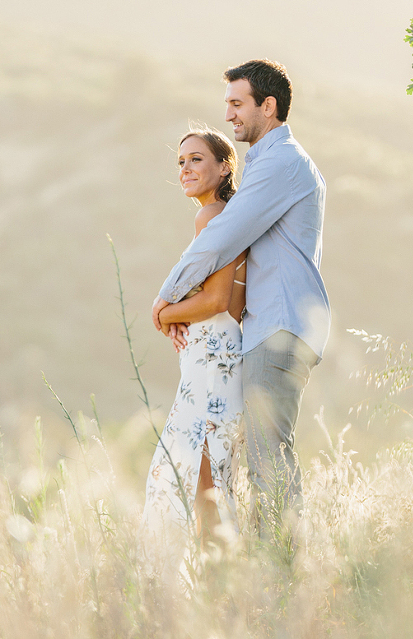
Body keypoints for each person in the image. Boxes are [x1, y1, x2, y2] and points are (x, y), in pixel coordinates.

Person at [152, 59, 329, 535]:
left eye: (237, 103)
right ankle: (268, 565)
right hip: (273, 325)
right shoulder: (271, 164)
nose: (229, 115)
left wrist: (165, 301)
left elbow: (223, 237)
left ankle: (284, 568)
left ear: (267, 106)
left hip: (280, 324)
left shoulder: (280, 164)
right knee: (256, 458)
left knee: (268, 456)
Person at [142, 126, 249, 543]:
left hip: (213, 363)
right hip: (213, 356)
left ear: (225, 167)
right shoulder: (226, 217)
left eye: (196, 159)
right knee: (207, 479)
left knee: (200, 482)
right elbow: (232, 304)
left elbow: (218, 300)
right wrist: (177, 315)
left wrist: (166, 313)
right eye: (181, 161)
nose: (185, 168)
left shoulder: (214, 216)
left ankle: (218, 582)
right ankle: (219, 581)